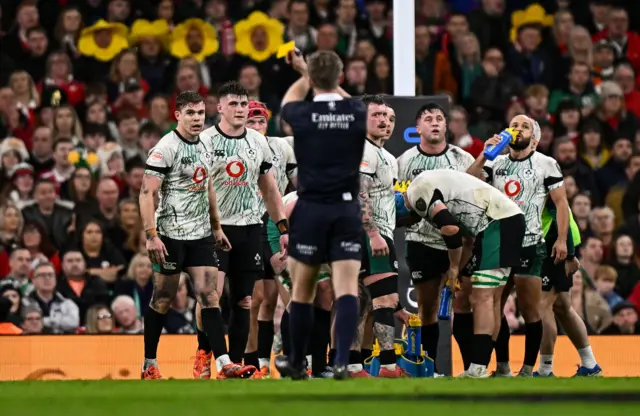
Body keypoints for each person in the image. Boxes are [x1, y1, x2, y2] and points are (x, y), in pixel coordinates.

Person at [140, 90, 253, 380]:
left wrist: (216, 227)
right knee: (163, 297)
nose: (196, 119)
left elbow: (209, 187)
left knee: (209, 296)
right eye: (190, 113)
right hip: (170, 235)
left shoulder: (205, 145)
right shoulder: (165, 148)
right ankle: (149, 363)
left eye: (201, 113)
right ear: (177, 115)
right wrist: (152, 235)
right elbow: (147, 192)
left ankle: (224, 362)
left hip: (201, 236)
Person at [275, 49, 367, 380]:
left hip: (311, 208)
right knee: (346, 289)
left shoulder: (302, 112)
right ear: (341, 77)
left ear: (313, 79)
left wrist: (304, 74)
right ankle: (341, 361)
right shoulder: (356, 111)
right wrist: (321, 78)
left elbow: (288, 103)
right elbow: (346, 100)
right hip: (345, 208)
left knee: (303, 289)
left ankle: (297, 361)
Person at [196, 82, 288, 379]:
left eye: (243, 104)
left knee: (244, 301)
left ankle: (233, 364)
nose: (239, 109)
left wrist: (282, 226)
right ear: (219, 108)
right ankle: (205, 352)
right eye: (233, 104)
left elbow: (270, 188)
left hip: (249, 228)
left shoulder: (258, 143)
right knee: (212, 294)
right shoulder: (204, 140)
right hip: (212, 229)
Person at [467, 115, 569, 377]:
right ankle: (501, 367)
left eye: (524, 126)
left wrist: (560, 239)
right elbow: (467, 184)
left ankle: (527, 368)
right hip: (498, 241)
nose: (517, 129)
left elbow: (561, 203)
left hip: (530, 243)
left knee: (529, 308)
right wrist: (484, 154)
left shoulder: (547, 163)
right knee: (494, 304)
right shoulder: (496, 162)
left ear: (534, 140)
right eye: (514, 124)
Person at [403, 169, 526, 378]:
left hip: (496, 224)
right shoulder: (439, 188)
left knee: (483, 298)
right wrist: (459, 271)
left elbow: (451, 229)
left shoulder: (416, 193)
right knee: (492, 299)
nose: (413, 222)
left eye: (406, 221)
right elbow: (467, 238)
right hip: (504, 221)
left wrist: (452, 268)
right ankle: (480, 366)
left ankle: (477, 367)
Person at [396, 102, 475, 374]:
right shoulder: (404, 162)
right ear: (417, 128)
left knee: (463, 307)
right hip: (422, 243)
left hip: (461, 243)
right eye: (428, 118)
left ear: (446, 126)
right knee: (428, 310)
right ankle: (431, 370)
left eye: (440, 118)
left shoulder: (463, 159)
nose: (435, 122)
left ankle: (472, 369)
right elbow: (398, 203)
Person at [243, 100, 297, 378]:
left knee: (285, 295)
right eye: (250, 122)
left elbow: (297, 181)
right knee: (258, 299)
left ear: (267, 123)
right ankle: (256, 361)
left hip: (277, 225)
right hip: (249, 225)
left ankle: (291, 354)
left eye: (260, 121)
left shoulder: (281, 148)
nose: (255, 126)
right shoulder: (237, 147)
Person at [358, 94, 405, 377]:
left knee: (362, 303)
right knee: (383, 301)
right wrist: (374, 234)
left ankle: (354, 365)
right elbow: (359, 193)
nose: (384, 121)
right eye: (376, 115)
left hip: (379, 232)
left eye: (389, 118)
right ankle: (388, 365)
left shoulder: (387, 157)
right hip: (369, 234)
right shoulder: (364, 150)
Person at [535, 200, 602, 377]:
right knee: (563, 307)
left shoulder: (541, 173)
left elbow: (559, 208)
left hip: (553, 244)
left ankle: (545, 369)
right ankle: (590, 365)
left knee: (542, 306)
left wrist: (570, 253)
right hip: (558, 242)